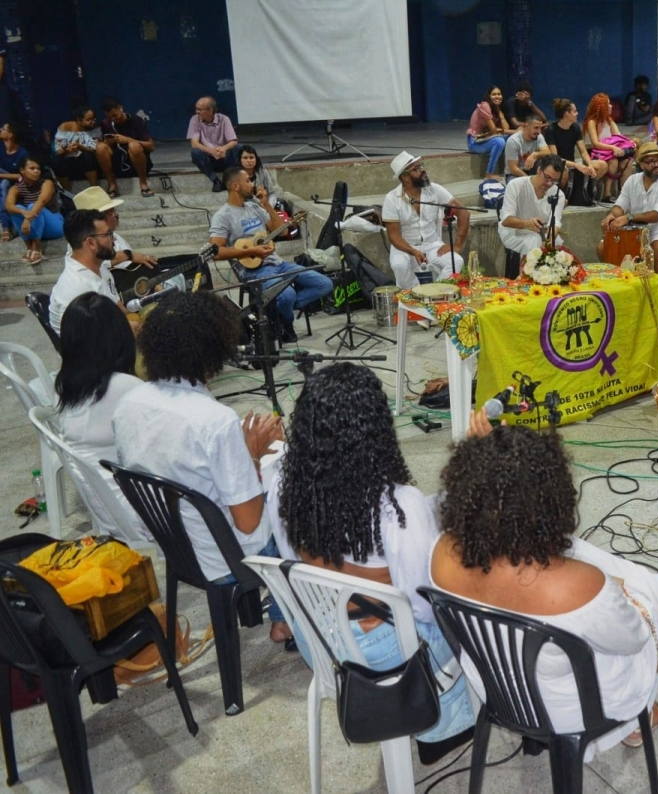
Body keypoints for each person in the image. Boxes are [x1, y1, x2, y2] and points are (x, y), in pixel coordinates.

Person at [430, 414, 658, 754]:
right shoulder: (579, 584)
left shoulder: (442, 552)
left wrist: (490, 454)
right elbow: (633, 640)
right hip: (571, 710)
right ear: (552, 501)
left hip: (498, 689)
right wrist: (621, 592)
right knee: (643, 611)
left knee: (577, 562)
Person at [264, 363, 475, 765]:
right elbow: (422, 606)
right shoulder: (397, 506)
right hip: (388, 655)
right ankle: (443, 728)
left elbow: (290, 557)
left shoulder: (281, 489)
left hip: (320, 640)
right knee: (470, 606)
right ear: (377, 429)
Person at [112, 290, 291, 643]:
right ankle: (287, 617)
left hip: (177, 547)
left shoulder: (129, 403)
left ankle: (277, 611)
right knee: (298, 497)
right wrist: (251, 454)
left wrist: (239, 453)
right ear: (213, 347)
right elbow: (250, 523)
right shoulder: (215, 420)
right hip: (224, 558)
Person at [54, 292, 146, 539]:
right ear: (118, 337)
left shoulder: (66, 385)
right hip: (145, 516)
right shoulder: (127, 389)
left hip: (109, 512)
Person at [209, 166, 333, 343]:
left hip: (278, 264)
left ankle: (279, 313)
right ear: (235, 186)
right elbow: (215, 252)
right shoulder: (223, 216)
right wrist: (252, 250)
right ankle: (287, 323)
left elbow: (280, 232)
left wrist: (266, 204)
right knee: (287, 295)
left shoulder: (254, 207)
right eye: (248, 181)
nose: (252, 184)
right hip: (254, 271)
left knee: (324, 283)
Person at [381, 152, 468, 289]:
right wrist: (413, 251)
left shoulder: (434, 190)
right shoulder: (392, 199)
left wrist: (457, 245)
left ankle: (435, 293)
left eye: (421, 165)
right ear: (404, 176)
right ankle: (415, 295)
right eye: (416, 169)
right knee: (400, 265)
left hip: (432, 245)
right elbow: (394, 236)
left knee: (456, 261)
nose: (422, 170)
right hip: (405, 247)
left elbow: (463, 212)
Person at [597, 143, 658, 273]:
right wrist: (611, 215)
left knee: (657, 248)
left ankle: (655, 290)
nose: (656, 164)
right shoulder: (632, 180)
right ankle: (619, 283)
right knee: (602, 247)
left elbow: (656, 215)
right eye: (651, 161)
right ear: (641, 164)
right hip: (634, 232)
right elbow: (620, 206)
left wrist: (629, 217)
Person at [65, 186, 163, 291]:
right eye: (109, 213)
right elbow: (102, 261)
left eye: (114, 211)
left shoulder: (115, 236)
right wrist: (128, 255)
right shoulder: (77, 248)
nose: (116, 215)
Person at [48, 209, 122, 333]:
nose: (113, 239)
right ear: (91, 243)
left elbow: (119, 308)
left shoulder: (100, 269)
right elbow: (86, 345)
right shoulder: (76, 288)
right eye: (108, 234)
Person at [499, 154, 565, 256]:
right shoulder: (515, 185)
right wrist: (527, 224)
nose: (549, 184)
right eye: (547, 178)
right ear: (539, 169)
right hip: (514, 232)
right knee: (534, 242)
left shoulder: (558, 194)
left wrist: (549, 241)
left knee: (558, 246)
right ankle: (527, 272)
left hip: (542, 233)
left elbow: (555, 222)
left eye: (554, 181)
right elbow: (505, 220)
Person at [5, 156, 61, 265]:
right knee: (18, 209)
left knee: (32, 206)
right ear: (22, 170)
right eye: (32, 168)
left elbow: (41, 201)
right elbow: (8, 205)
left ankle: (36, 248)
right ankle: (29, 248)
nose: (36, 171)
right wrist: (23, 213)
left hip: (54, 225)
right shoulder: (16, 188)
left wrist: (28, 219)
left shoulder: (46, 183)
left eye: (38, 169)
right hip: (34, 227)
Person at [52, 105, 117, 195]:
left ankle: (94, 189)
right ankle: (67, 194)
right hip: (68, 158)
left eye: (94, 119)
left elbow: (92, 149)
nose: (93, 122)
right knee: (57, 160)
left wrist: (79, 146)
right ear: (79, 120)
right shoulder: (66, 127)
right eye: (89, 119)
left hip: (85, 160)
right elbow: (59, 151)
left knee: (88, 156)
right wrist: (68, 149)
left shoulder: (95, 129)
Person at [583, 93, 637, 202]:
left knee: (627, 162)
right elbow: (595, 143)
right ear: (601, 107)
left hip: (610, 151)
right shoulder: (591, 122)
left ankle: (624, 193)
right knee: (613, 160)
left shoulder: (609, 120)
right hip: (596, 152)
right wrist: (612, 148)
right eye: (608, 104)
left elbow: (618, 136)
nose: (611, 106)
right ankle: (606, 194)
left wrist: (629, 143)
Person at [99, 97, 155, 197]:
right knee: (100, 148)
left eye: (115, 115)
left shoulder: (135, 120)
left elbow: (151, 146)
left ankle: (143, 183)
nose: (113, 119)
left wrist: (128, 140)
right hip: (118, 160)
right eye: (110, 117)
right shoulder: (106, 123)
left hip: (137, 160)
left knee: (134, 146)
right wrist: (108, 142)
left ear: (121, 108)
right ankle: (112, 185)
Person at [187, 96, 240, 192]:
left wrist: (223, 149)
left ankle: (233, 178)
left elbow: (233, 141)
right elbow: (194, 144)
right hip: (209, 160)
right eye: (196, 109)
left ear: (210, 111)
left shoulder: (224, 119)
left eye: (200, 109)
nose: (196, 112)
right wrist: (212, 151)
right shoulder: (195, 120)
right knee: (195, 153)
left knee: (239, 148)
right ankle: (215, 181)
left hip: (224, 156)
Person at [545, 98, 597, 191]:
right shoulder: (551, 130)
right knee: (564, 169)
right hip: (559, 165)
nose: (577, 113)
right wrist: (576, 165)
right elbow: (555, 158)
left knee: (601, 165)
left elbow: (584, 152)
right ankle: (561, 196)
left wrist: (590, 165)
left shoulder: (575, 127)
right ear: (567, 113)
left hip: (573, 165)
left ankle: (581, 192)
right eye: (575, 111)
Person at [466, 86, 513, 183]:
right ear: (489, 96)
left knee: (511, 138)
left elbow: (506, 128)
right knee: (499, 141)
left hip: (487, 139)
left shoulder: (496, 109)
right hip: (475, 142)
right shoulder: (484, 106)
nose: (497, 97)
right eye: (494, 94)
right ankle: (489, 174)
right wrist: (516, 131)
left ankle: (513, 168)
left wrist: (499, 111)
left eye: (499, 94)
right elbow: (494, 130)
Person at [0, 121, 28, 241]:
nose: (1, 129)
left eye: (3, 129)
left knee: (4, 185)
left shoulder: (22, 153)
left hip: (16, 183)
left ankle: (6, 227)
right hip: (3, 178)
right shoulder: (1, 149)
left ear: (10, 134)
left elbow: (23, 176)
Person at [503, 114, 549, 182]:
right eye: (536, 128)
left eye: (540, 128)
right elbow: (513, 169)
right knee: (516, 187)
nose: (539, 131)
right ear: (527, 126)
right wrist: (529, 180)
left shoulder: (538, 136)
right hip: (514, 174)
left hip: (532, 170)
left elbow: (547, 153)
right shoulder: (513, 141)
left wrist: (535, 154)